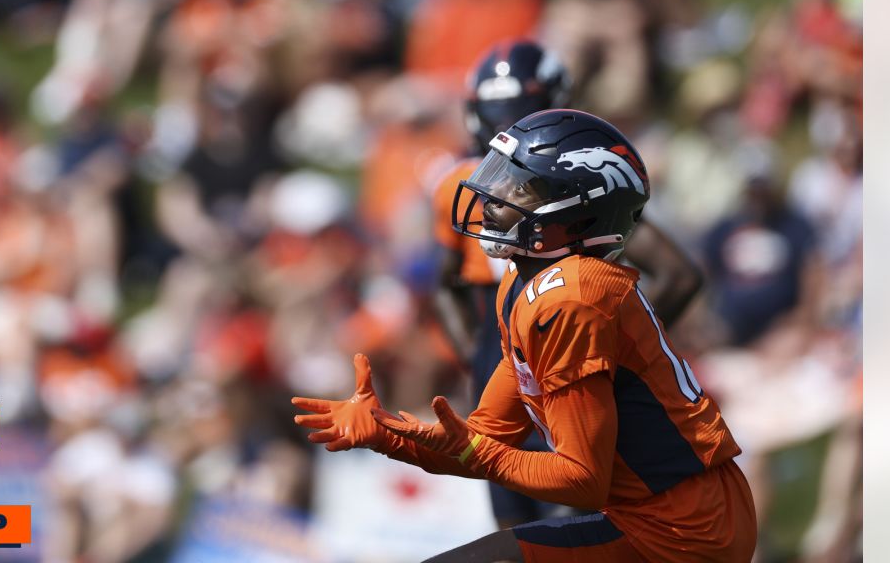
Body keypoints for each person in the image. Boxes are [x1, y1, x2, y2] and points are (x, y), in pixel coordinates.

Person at [295, 110, 755, 562]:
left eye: (521, 186)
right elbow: (485, 436)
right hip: (652, 514)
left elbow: (580, 478)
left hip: (686, 527)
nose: (494, 195)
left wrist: (475, 451)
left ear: (575, 215)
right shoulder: (523, 286)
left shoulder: (570, 298)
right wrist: (385, 434)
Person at [431, 40, 704, 530]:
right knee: (514, 537)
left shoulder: (569, 189)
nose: (504, 128)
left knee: (564, 529)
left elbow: (678, 273)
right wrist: (479, 354)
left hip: (562, 385)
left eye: (518, 113)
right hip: (509, 377)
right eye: (496, 114)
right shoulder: (461, 185)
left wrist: (609, 345)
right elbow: (446, 283)